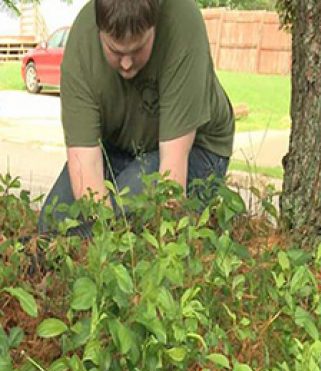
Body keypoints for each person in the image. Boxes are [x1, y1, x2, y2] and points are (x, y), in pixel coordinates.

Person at [38, 0, 234, 233]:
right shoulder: (82, 42)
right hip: (119, 146)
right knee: (53, 226)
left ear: (155, 24)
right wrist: (99, 234)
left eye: (138, 49)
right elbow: (85, 162)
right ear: (100, 31)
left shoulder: (182, 23)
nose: (127, 64)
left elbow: (171, 181)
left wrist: (124, 234)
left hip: (196, 148)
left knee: (130, 219)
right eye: (116, 51)